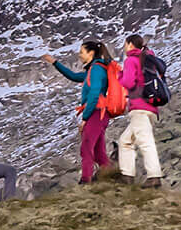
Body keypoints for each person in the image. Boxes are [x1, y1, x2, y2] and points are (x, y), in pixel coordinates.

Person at [43, 40, 112, 182]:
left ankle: (85, 180)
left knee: (86, 148)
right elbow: (73, 76)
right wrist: (55, 62)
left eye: (82, 52)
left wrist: (85, 118)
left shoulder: (97, 70)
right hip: (99, 113)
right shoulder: (92, 70)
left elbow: (94, 94)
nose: (79, 55)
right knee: (99, 153)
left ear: (91, 53)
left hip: (96, 113)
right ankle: (112, 177)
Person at [117, 34, 163, 185]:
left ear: (130, 44)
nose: (124, 47)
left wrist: (120, 76)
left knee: (145, 141)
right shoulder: (148, 59)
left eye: (125, 44)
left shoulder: (131, 59)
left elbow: (129, 83)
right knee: (125, 140)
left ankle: (154, 176)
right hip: (152, 107)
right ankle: (126, 175)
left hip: (139, 106)